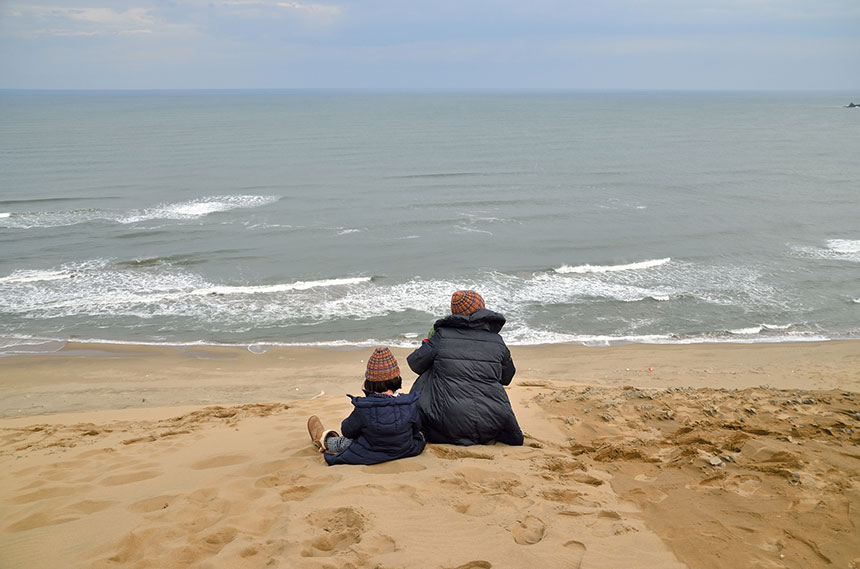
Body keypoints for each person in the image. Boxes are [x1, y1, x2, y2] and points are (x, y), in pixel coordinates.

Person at [407, 290, 523, 446]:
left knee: (430, 369)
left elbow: (415, 363)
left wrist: (427, 343)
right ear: (482, 308)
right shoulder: (497, 340)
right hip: (493, 421)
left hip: (447, 423)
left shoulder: (441, 335)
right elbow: (507, 377)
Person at [307, 346, 426, 466]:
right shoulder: (409, 403)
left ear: (369, 382)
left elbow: (347, 431)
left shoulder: (364, 408)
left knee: (347, 442)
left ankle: (324, 440)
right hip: (404, 449)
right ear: (397, 379)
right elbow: (416, 428)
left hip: (372, 450)